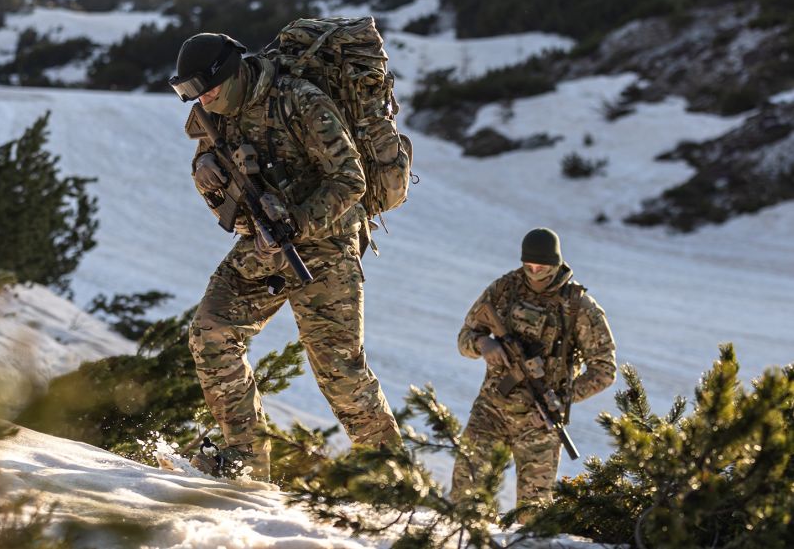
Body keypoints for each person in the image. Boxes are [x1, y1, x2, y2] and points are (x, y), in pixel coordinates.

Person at [169, 33, 402, 481]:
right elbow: (212, 174)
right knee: (211, 332)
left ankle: (394, 483)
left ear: (229, 74)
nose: (201, 100)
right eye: (191, 93)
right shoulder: (212, 115)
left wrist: (296, 221)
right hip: (264, 243)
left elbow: (350, 181)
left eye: (207, 89)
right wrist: (206, 174)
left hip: (327, 244)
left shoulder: (300, 101)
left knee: (340, 370)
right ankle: (246, 461)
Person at [450, 227, 616, 511]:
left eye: (542, 267)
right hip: (491, 410)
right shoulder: (504, 289)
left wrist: (564, 397)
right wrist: (482, 344)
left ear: (556, 263)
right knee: (467, 500)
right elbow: (464, 338)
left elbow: (604, 369)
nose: (535, 272)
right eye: (529, 266)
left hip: (540, 422)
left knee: (534, 515)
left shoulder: (579, 307)